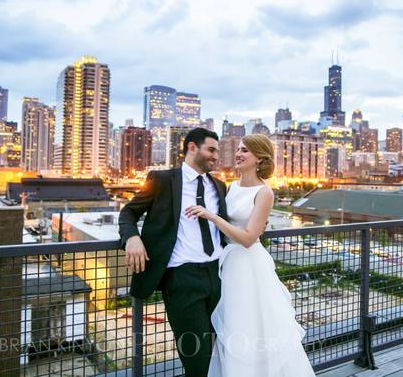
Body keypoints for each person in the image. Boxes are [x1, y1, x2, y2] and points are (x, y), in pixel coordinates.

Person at [185, 134, 315, 377]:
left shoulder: (264, 192)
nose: (238, 154)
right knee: (232, 328)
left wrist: (212, 216)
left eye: (245, 150)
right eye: (239, 149)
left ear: (259, 158)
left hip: (248, 266)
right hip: (227, 262)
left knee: (250, 326)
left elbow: (247, 238)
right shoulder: (230, 187)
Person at [118, 127, 227, 377]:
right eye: (211, 150)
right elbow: (128, 212)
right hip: (181, 279)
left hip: (219, 275)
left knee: (223, 349)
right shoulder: (162, 180)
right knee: (197, 359)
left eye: (217, 151)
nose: (216, 156)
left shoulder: (220, 186)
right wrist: (132, 238)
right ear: (192, 148)